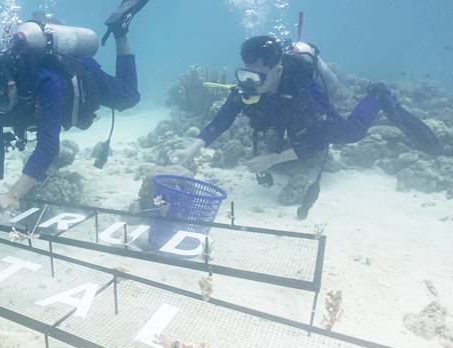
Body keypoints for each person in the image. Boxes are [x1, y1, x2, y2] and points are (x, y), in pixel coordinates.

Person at [174, 35, 443, 217]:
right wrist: (191, 148)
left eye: (257, 75)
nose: (249, 81)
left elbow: (320, 139)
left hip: (309, 116)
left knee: (349, 134)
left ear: (278, 70)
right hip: (283, 117)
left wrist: (274, 158)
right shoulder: (248, 89)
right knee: (283, 132)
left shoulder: (305, 92)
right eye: (246, 73)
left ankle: (378, 96)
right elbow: (222, 119)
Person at [0, 0, 148, 212]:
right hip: (50, 92)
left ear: (10, 86)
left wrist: (13, 195)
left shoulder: (45, 81)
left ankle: (119, 31)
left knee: (130, 97)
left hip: (84, 81)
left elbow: (48, 147)